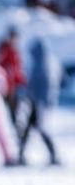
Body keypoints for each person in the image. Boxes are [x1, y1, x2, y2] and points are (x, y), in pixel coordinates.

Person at [18, 38, 62, 166]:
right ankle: (21, 155)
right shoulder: (44, 64)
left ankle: (52, 154)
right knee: (30, 128)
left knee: (39, 128)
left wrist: (25, 92)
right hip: (36, 103)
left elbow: (35, 86)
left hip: (38, 104)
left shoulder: (40, 67)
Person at [0, 26, 26, 126]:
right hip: (6, 84)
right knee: (3, 106)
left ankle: (15, 126)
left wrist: (22, 80)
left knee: (15, 106)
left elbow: (17, 69)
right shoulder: (4, 49)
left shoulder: (15, 51)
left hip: (14, 84)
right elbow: (1, 66)